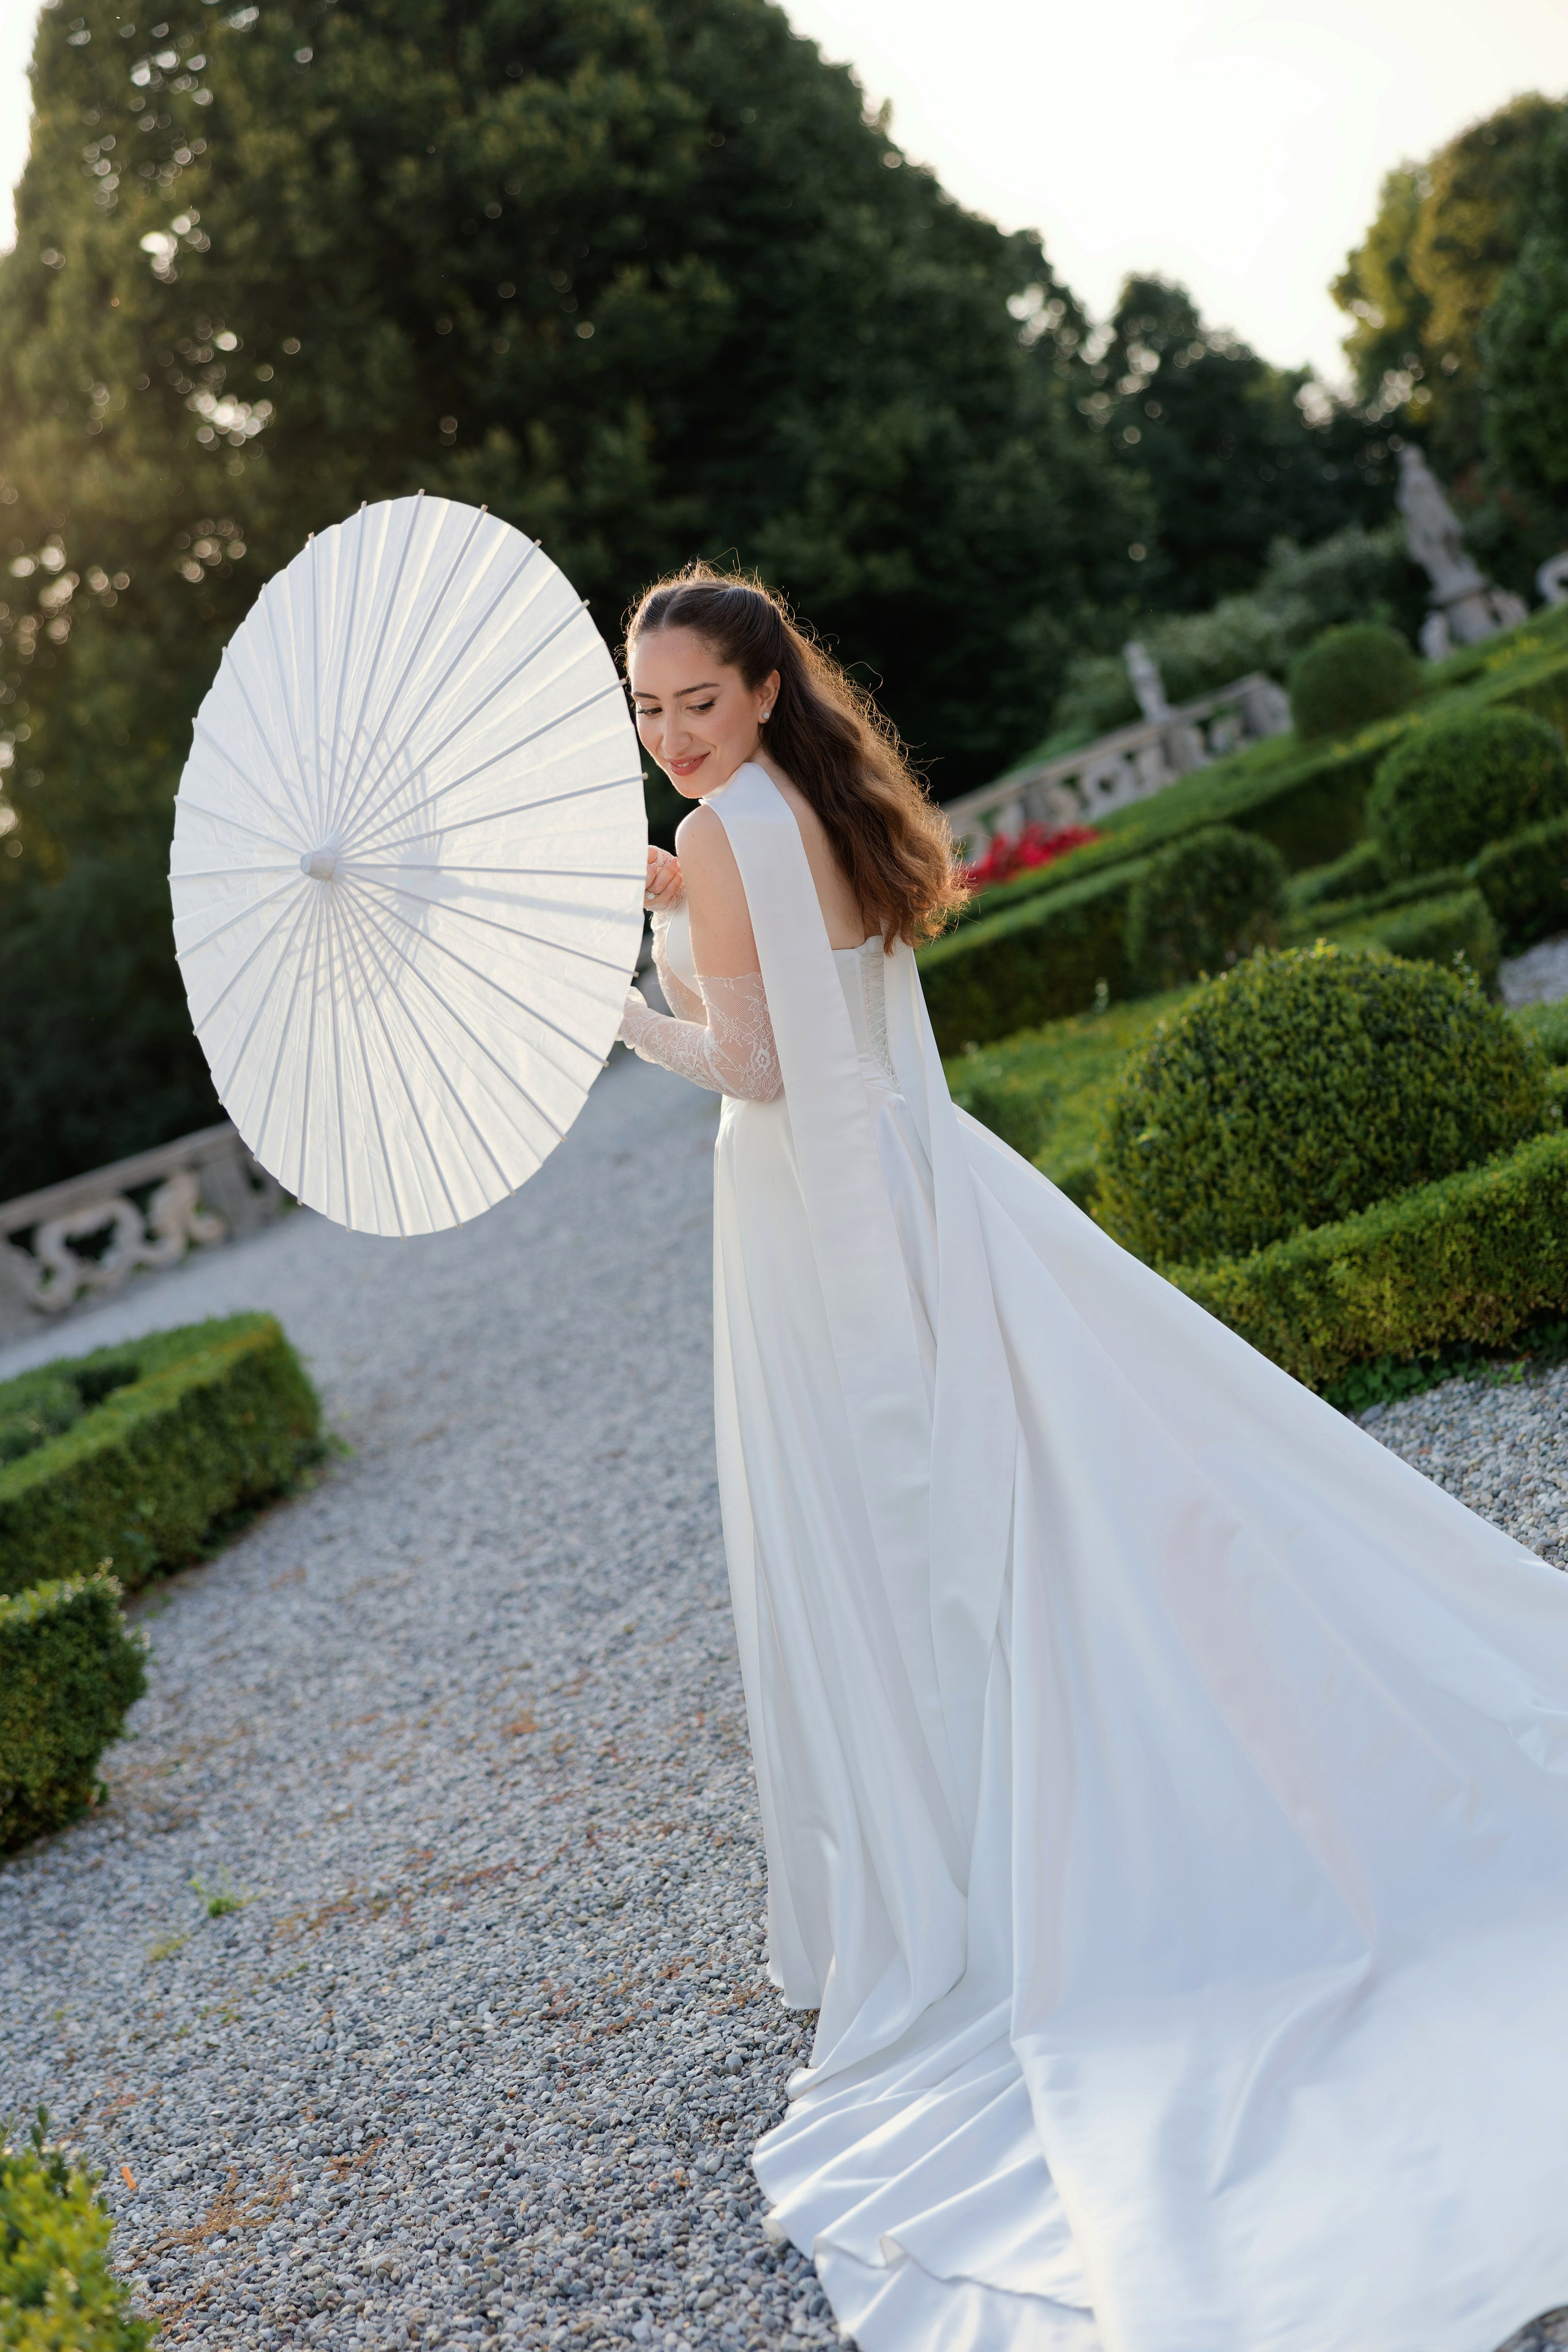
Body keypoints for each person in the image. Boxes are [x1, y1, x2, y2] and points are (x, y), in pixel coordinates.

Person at [615, 562, 1568, 2352]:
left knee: (944, 1539)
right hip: (922, 1189)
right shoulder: (803, 797)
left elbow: (750, 1062)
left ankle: (1012, 1847)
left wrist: (617, 1009)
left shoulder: (735, 824)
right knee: (1094, 1487)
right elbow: (799, 962)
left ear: (755, 688)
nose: (669, 734)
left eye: (692, 702)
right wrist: (671, 886)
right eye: (646, 709)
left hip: (823, 1234)